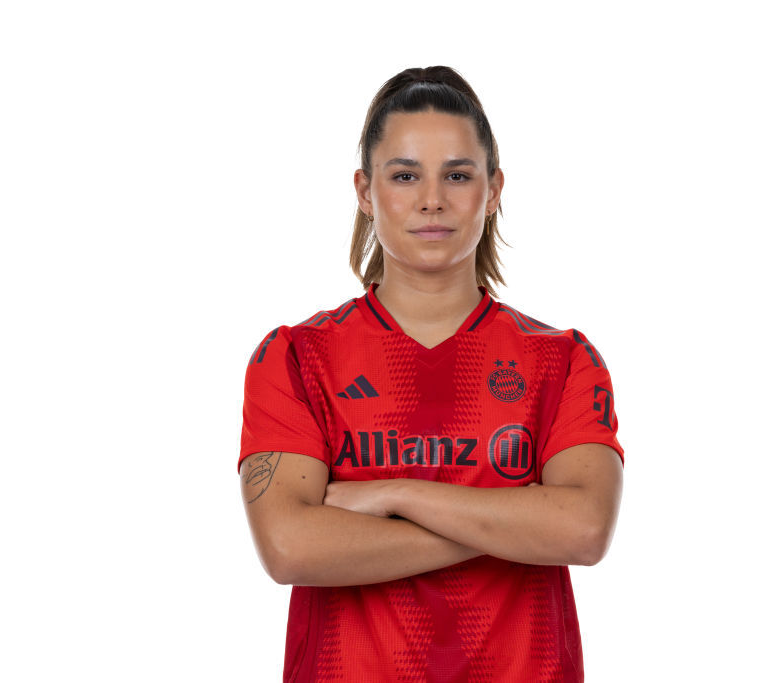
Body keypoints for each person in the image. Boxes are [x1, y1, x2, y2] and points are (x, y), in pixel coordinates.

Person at [238, 65, 625, 683]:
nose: (432, 199)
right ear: (365, 191)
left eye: (458, 175)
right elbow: (290, 547)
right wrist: (516, 523)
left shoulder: (563, 359)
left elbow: (581, 530)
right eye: (405, 174)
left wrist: (395, 495)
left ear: (494, 189)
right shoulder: (295, 357)